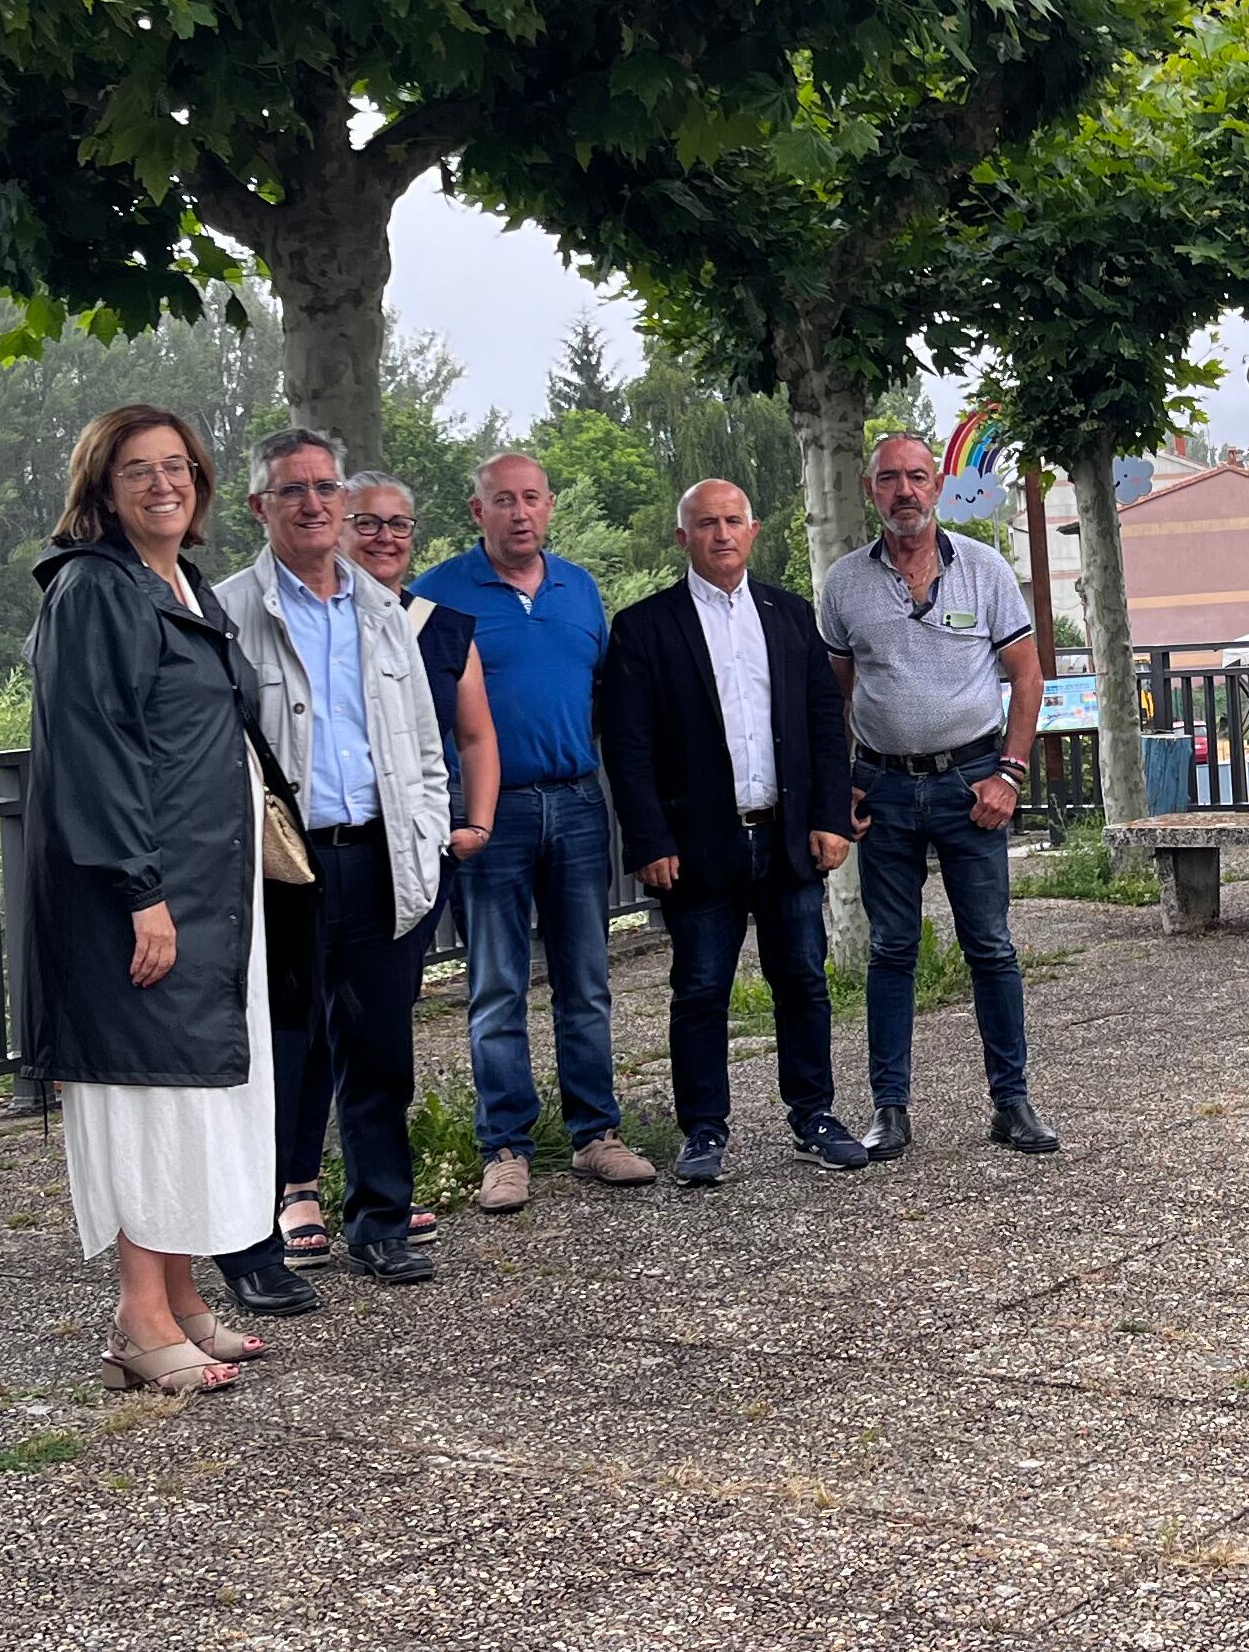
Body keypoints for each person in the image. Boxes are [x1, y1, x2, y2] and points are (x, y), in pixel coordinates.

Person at [21, 405, 276, 1395]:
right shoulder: (94, 590)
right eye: (138, 470)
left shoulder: (181, 584)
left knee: (185, 1092)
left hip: (204, 888)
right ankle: (137, 1316)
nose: (163, 484)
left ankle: (179, 1296)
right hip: (140, 896)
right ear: (101, 486)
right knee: (137, 1093)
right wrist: (142, 894)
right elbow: (96, 751)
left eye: (178, 467)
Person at [209, 428, 454, 1298]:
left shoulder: (385, 610)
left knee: (383, 1049)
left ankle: (382, 1222)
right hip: (284, 867)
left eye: (325, 488)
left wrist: (426, 829)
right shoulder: (227, 609)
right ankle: (256, 1245)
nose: (314, 504)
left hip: (381, 854)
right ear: (258, 507)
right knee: (282, 1054)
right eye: (292, 490)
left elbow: (425, 747)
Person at [597, 479, 858, 1186]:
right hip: (697, 843)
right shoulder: (645, 627)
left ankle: (813, 1115)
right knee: (701, 989)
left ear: (754, 529)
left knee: (802, 980)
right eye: (705, 524)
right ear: (683, 537)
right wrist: (649, 841)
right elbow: (628, 747)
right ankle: (704, 1129)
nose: (721, 535)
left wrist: (832, 819)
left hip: (787, 836)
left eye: (733, 521)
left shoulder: (790, 615)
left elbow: (826, 728)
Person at [819, 432, 1058, 1159]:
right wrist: (842, 786)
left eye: (917, 477)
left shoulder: (984, 571)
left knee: (990, 946)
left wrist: (1010, 774)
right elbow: (833, 698)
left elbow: (1028, 677)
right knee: (892, 950)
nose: (905, 493)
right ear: (870, 492)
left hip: (972, 786)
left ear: (939, 488)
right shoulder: (843, 585)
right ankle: (890, 1110)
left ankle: (1010, 1103)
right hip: (885, 789)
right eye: (889, 479)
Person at [413, 452, 638, 1202]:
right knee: (497, 985)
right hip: (489, 814)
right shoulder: (436, 595)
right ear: (477, 512)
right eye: (502, 500)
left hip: (575, 801)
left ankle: (595, 1134)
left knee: (587, 981)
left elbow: (603, 692)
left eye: (532, 498)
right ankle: (504, 1145)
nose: (519, 513)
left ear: (549, 507)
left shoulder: (581, 588)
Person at [345, 468, 499, 1011]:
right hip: (334, 847)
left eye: (398, 524)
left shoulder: (443, 628)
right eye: (367, 523)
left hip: (417, 844)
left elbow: (476, 736)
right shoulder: (317, 625)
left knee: (389, 1004)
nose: (385, 537)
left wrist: (476, 825)